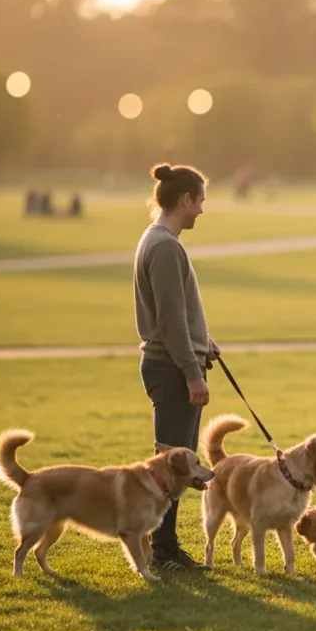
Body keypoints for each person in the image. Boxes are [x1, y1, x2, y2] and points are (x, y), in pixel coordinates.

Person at [134, 162, 221, 571]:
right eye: (201, 200)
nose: (202, 209)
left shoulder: (156, 240)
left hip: (172, 361)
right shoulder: (166, 246)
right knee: (173, 467)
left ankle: (163, 547)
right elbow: (169, 320)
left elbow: (177, 314)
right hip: (171, 369)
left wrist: (204, 342)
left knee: (173, 462)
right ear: (185, 200)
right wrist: (191, 372)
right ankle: (163, 551)